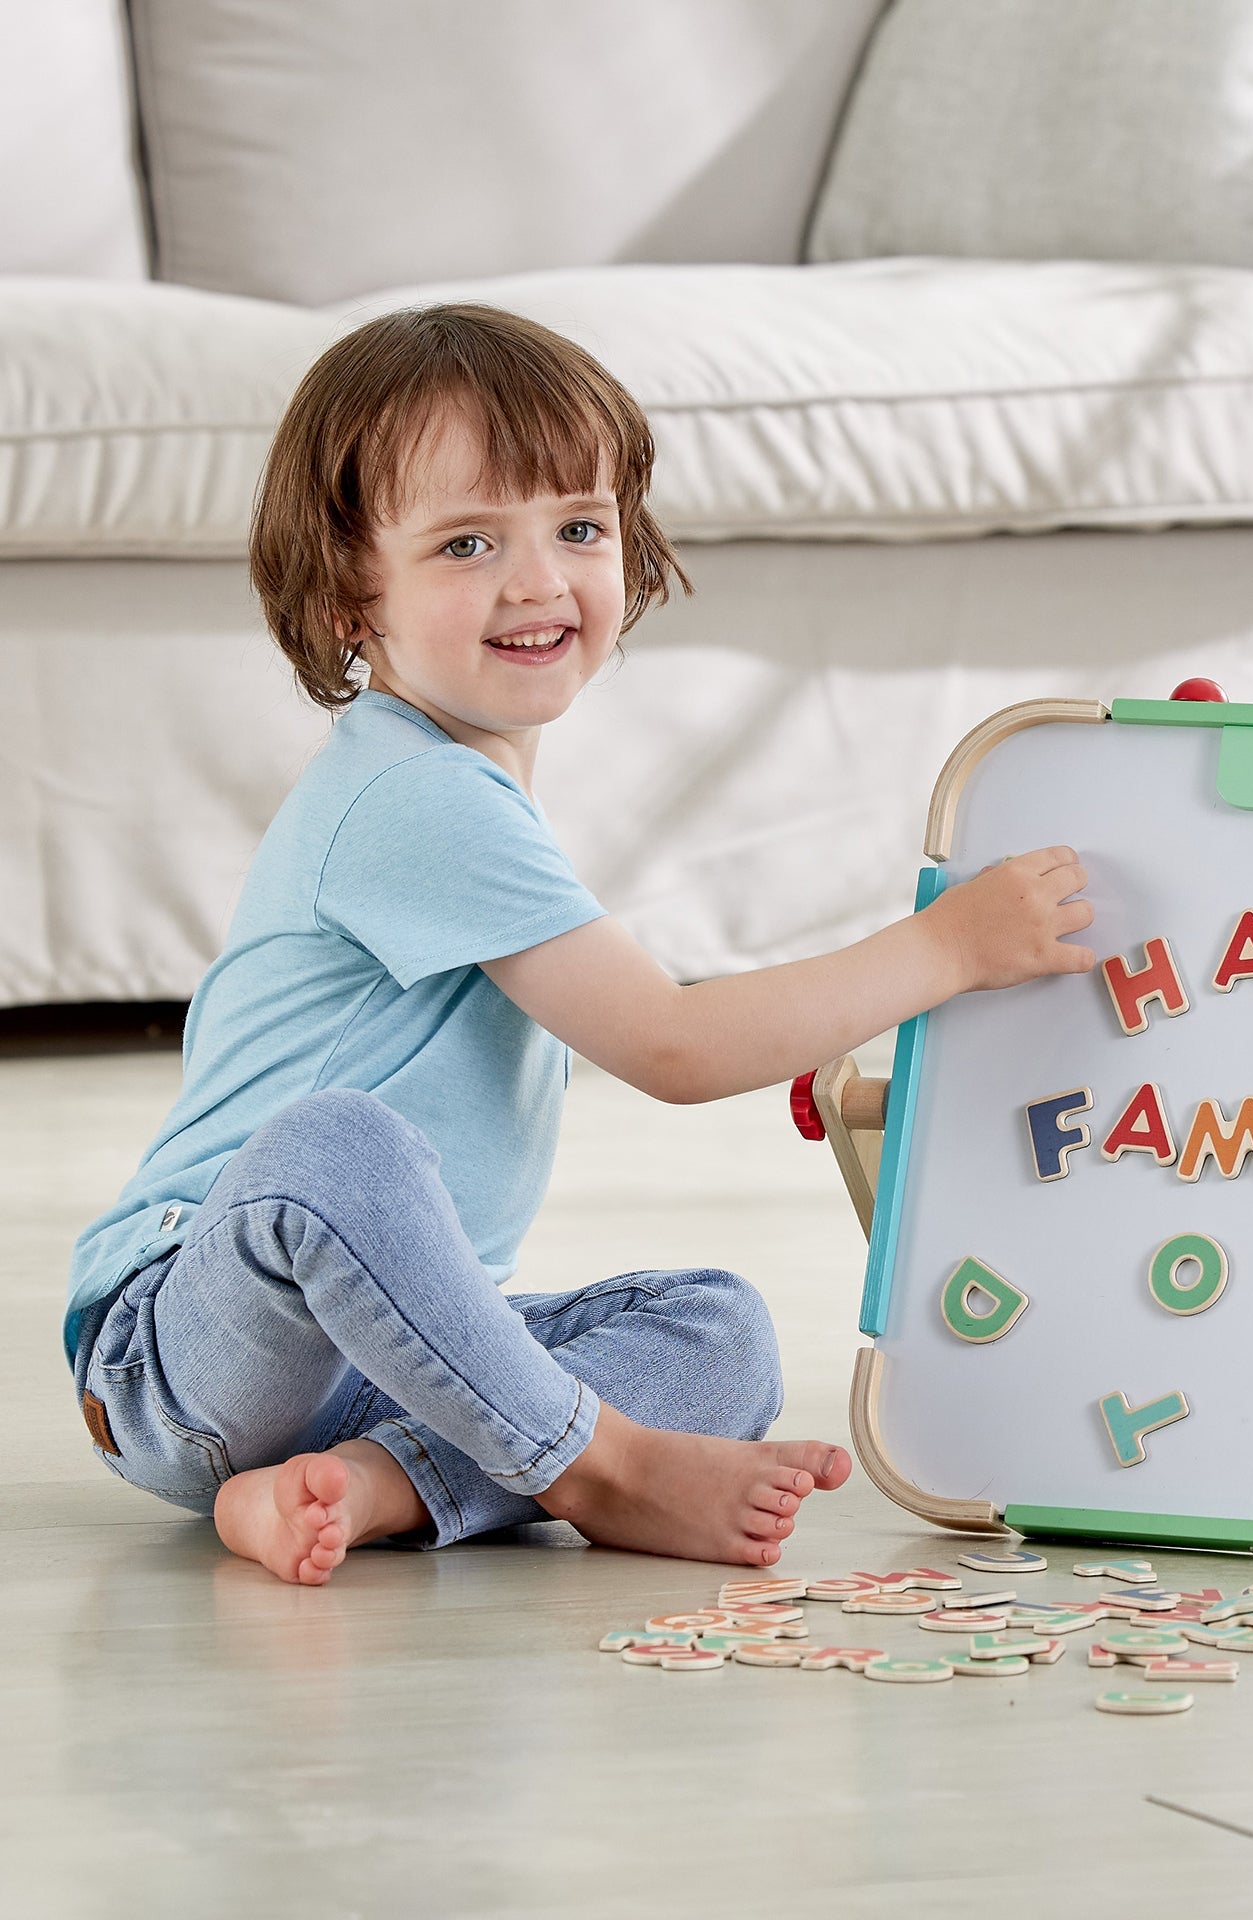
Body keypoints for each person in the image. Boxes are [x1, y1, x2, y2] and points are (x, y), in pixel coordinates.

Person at [65, 304, 1094, 1586]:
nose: (540, 580)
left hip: (389, 1364)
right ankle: (589, 1465)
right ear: (347, 594)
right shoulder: (413, 795)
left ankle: (372, 1488)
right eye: (466, 543)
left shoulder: (471, 789)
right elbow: (672, 1044)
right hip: (185, 1346)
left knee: (718, 1331)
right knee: (336, 1145)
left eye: (579, 528)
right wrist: (948, 949)